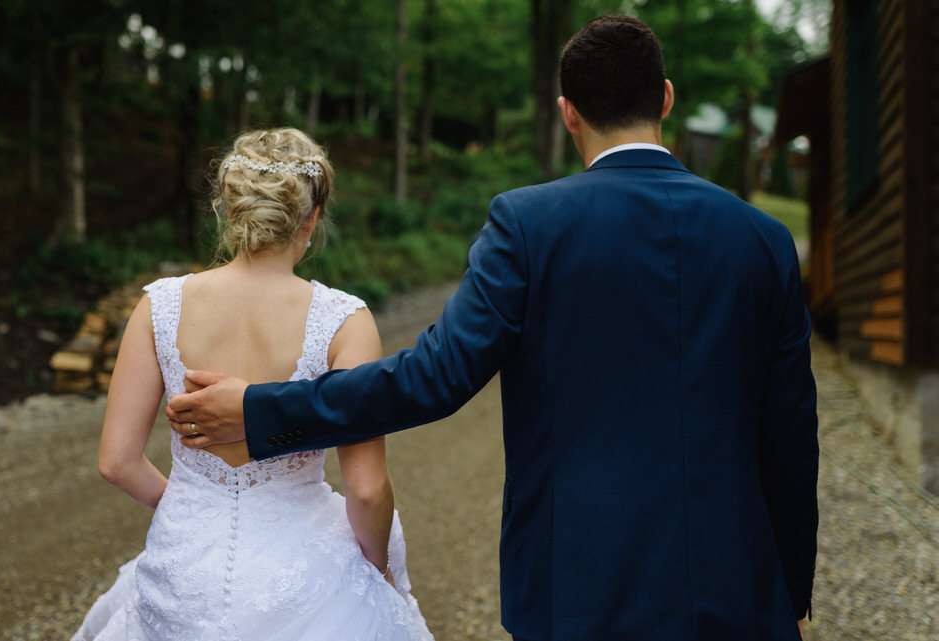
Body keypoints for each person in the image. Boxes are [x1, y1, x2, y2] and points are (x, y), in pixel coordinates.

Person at [167, 16, 818, 641]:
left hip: (578, 592)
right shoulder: (764, 241)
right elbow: (791, 436)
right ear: (667, 100)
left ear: (569, 113)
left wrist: (259, 408)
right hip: (738, 591)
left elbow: (429, 380)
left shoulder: (530, 225)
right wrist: (788, 593)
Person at [71, 128, 434, 641]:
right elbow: (369, 490)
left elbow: (116, 462)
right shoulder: (344, 320)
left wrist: (191, 505)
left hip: (184, 563)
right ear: (312, 218)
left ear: (229, 209)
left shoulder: (160, 305)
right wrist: (377, 571)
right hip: (304, 569)